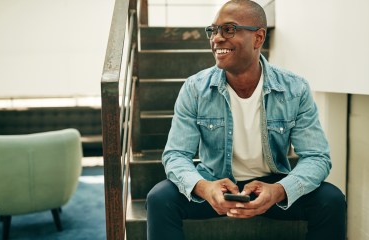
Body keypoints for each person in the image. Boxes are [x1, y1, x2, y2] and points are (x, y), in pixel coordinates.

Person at [146, 0, 347, 239]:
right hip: (215, 183)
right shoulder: (195, 88)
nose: (217, 39)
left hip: (272, 185)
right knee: (159, 198)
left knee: (332, 200)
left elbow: (317, 157)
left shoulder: (295, 88)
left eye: (229, 29)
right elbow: (175, 155)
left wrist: (279, 190)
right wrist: (205, 187)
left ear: (258, 38)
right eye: (213, 30)